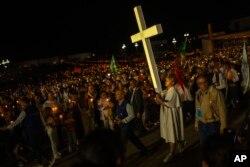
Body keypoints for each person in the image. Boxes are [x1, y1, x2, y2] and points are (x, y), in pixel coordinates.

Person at [1, 96, 46, 167]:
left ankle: (40, 162)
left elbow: (17, 121)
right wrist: (44, 126)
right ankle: (40, 158)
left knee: (35, 146)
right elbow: (41, 118)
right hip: (40, 129)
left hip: (32, 131)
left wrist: (7, 127)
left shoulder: (25, 111)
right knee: (38, 146)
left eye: (21, 102)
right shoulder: (36, 108)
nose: (21, 104)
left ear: (24, 102)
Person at [154, 74, 185, 163]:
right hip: (167, 115)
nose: (165, 81)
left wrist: (159, 99)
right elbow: (158, 102)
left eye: (167, 80)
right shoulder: (166, 91)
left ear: (172, 82)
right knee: (172, 131)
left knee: (172, 132)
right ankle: (181, 143)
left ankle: (171, 153)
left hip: (171, 115)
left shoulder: (173, 92)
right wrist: (157, 98)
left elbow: (168, 104)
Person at [113, 89, 148, 156]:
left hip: (126, 127)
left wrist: (122, 121)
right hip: (123, 127)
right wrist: (116, 118)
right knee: (133, 139)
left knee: (123, 143)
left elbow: (132, 115)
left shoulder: (127, 104)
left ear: (122, 95)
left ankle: (120, 158)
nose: (116, 96)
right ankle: (144, 149)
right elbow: (119, 114)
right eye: (116, 94)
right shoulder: (119, 104)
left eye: (117, 94)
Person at [195, 74, 227, 144]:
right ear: (198, 85)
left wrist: (223, 126)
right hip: (202, 124)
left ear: (208, 82)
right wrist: (197, 122)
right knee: (204, 146)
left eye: (205, 82)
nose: (203, 85)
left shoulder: (216, 93)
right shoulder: (198, 94)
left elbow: (222, 109)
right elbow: (198, 109)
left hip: (213, 123)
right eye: (200, 83)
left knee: (214, 146)